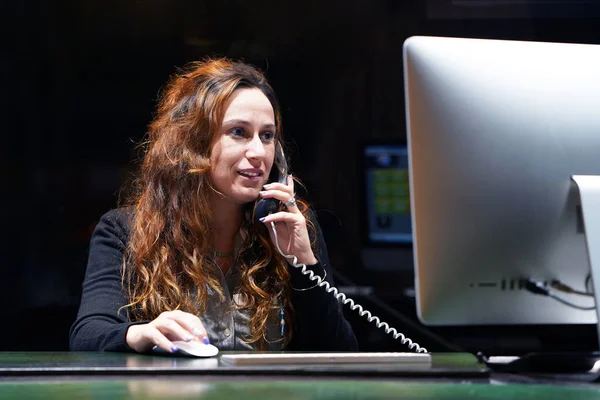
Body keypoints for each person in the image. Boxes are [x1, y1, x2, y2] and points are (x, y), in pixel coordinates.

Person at [69, 58, 358, 354]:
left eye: (268, 136)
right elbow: (88, 335)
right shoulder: (125, 230)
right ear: (194, 143)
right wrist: (142, 333)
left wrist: (303, 264)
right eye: (238, 132)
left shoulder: (291, 225)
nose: (259, 152)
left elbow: (340, 353)